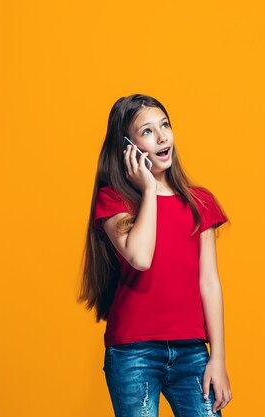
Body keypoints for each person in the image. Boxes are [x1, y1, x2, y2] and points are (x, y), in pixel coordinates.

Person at [78, 94, 233, 416]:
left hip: (192, 351)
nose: (162, 137)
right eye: (147, 131)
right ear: (127, 147)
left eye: (165, 125)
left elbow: (209, 283)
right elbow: (140, 257)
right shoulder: (113, 201)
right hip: (134, 351)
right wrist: (148, 190)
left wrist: (217, 358)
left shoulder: (199, 202)